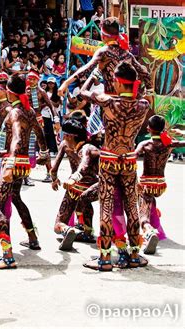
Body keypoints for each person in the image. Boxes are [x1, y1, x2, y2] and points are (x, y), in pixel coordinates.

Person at [81, 62, 150, 271]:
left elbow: (84, 92)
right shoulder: (143, 105)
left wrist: (94, 76)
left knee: (106, 205)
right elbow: (146, 82)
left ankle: (103, 258)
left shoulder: (108, 102)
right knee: (132, 206)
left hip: (110, 158)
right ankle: (135, 255)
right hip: (129, 158)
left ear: (118, 82)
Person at [0, 75, 50, 269]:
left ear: (10, 93)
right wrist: (44, 154)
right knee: (16, 198)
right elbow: (40, 134)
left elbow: (16, 137)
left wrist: (9, 160)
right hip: (23, 164)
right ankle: (32, 238)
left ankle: (7, 256)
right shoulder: (29, 111)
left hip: (12, 162)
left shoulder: (14, 112)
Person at [59, 17, 152, 102]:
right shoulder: (128, 55)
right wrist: (149, 93)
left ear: (103, 36)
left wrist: (66, 83)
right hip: (128, 101)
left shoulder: (103, 52)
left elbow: (87, 68)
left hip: (109, 101)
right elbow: (145, 74)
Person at [135, 115, 185, 255]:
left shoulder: (145, 144)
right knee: (151, 201)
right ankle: (155, 225)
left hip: (146, 184)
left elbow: (132, 156)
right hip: (160, 185)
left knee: (142, 213)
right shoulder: (169, 143)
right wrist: (181, 134)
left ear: (149, 129)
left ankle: (149, 232)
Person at [54, 119, 100, 251]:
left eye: (65, 135)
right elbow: (53, 168)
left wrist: (74, 177)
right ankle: (85, 231)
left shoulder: (87, 148)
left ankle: (68, 228)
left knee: (58, 224)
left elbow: (84, 164)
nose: (63, 138)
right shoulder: (70, 145)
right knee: (84, 198)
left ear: (70, 136)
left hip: (86, 186)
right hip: (85, 187)